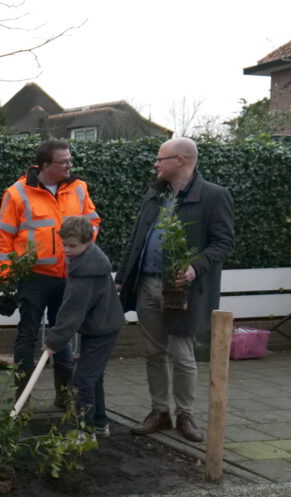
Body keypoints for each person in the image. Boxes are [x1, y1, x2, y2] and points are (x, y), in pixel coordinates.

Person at [116, 136, 235, 442]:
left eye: (161, 158)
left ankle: (185, 414)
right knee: (154, 352)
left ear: (181, 160)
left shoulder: (213, 196)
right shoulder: (155, 195)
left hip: (183, 290)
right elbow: (136, 239)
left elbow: (223, 243)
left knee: (182, 354)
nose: (156, 164)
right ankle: (159, 411)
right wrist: (123, 277)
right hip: (147, 284)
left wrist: (195, 267)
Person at [0, 139, 100, 408]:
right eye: (63, 161)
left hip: (69, 275)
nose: (69, 165)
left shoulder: (79, 188)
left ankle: (64, 396)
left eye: (69, 160)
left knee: (62, 332)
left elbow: (93, 223)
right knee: (27, 334)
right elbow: (3, 236)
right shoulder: (17, 193)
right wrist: (5, 275)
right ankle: (22, 397)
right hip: (33, 277)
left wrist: (85, 250)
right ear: (45, 165)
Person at [41, 216, 123, 436]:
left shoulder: (87, 272)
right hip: (99, 325)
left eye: (72, 246)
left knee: (82, 380)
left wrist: (52, 342)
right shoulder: (87, 259)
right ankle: (100, 423)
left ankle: (85, 432)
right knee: (93, 376)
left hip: (103, 330)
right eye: (64, 244)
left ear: (88, 242)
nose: (66, 250)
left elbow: (71, 312)